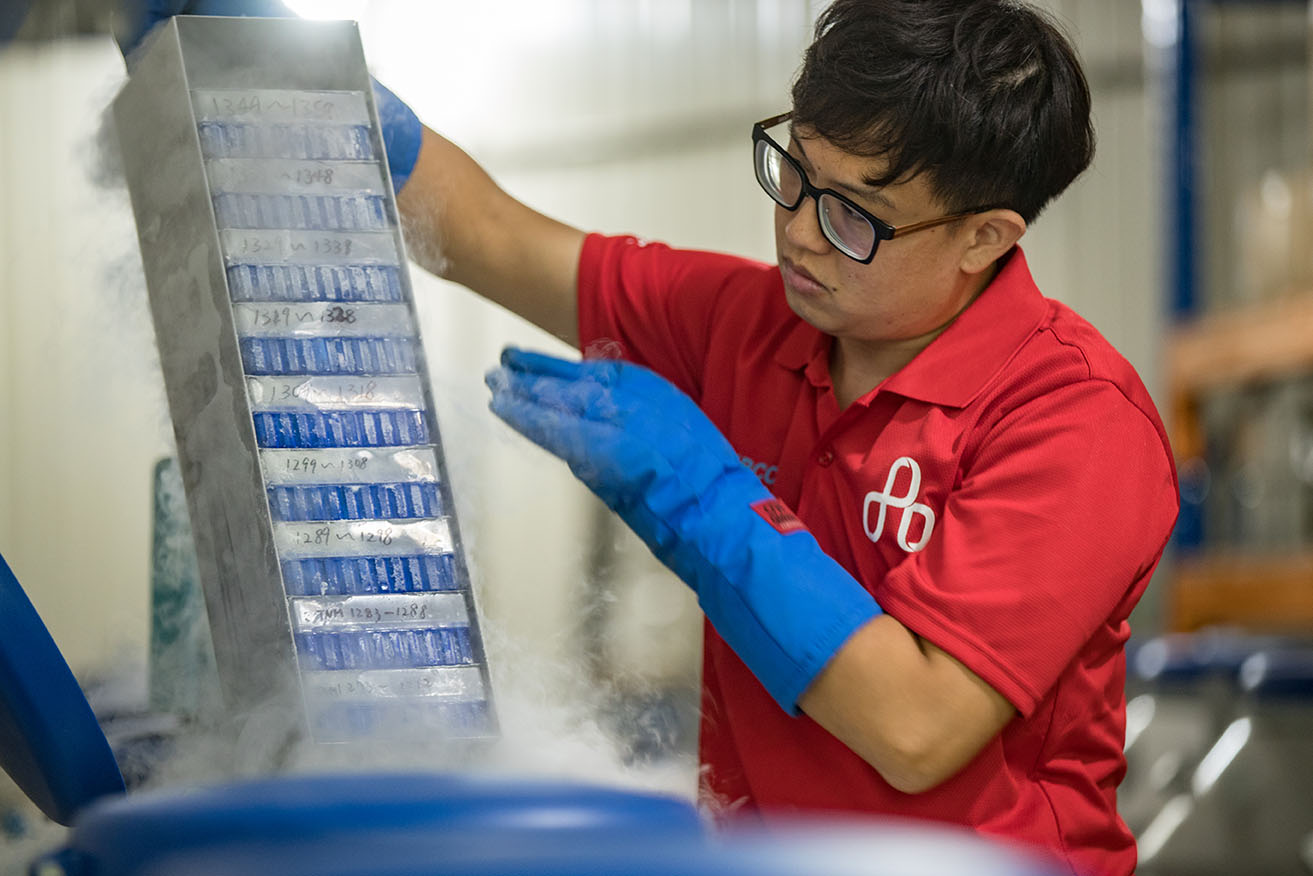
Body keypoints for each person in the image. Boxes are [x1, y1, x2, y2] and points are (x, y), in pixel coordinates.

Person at [120, 3, 1180, 874]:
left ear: (983, 238)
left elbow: (916, 727)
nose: (798, 231)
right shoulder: (748, 323)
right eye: (793, 173)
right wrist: (331, 109)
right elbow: (491, 237)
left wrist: (701, 499)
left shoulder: (1073, 420)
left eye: (853, 215)